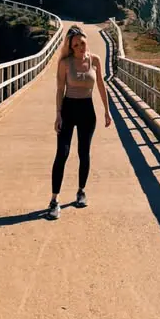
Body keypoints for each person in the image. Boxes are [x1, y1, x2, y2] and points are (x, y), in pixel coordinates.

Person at [48, 24, 111, 219]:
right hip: (68, 109)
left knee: (84, 153)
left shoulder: (95, 60)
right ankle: (54, 200)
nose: (80, 47)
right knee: (62, 153)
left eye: (82, 43)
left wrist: (107, 111)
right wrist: (58, 114)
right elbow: (60, 89)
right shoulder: (65, 63)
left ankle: (81, 191)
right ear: (70, 47)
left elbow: (101, 85)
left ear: (86, 41)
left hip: (87, 111)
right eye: (75, 45)